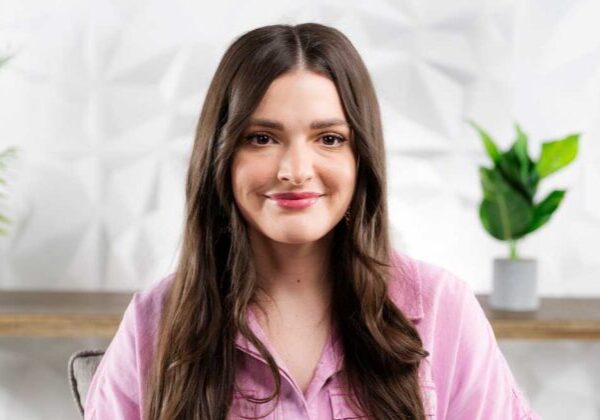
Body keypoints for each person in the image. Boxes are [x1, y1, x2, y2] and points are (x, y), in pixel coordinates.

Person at [84, 22, 540, 420]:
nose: (295, 170)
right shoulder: (155, 321)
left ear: (361, 156)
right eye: (261, 138)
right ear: (219, 155)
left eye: (329, 138)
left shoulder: (442, 308)